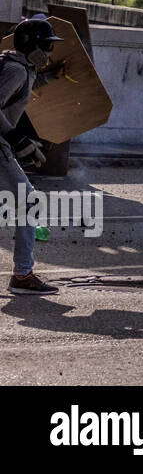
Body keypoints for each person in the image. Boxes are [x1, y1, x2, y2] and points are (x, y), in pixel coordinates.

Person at [1, 16, 68, 294]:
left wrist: (51, 77)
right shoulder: (15, 71)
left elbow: (24, 87)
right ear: (34, 46)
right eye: (47, 46)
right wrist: (18, 140)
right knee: (28, 202)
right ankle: (23, 276)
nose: (50, 52)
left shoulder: (16, 66)